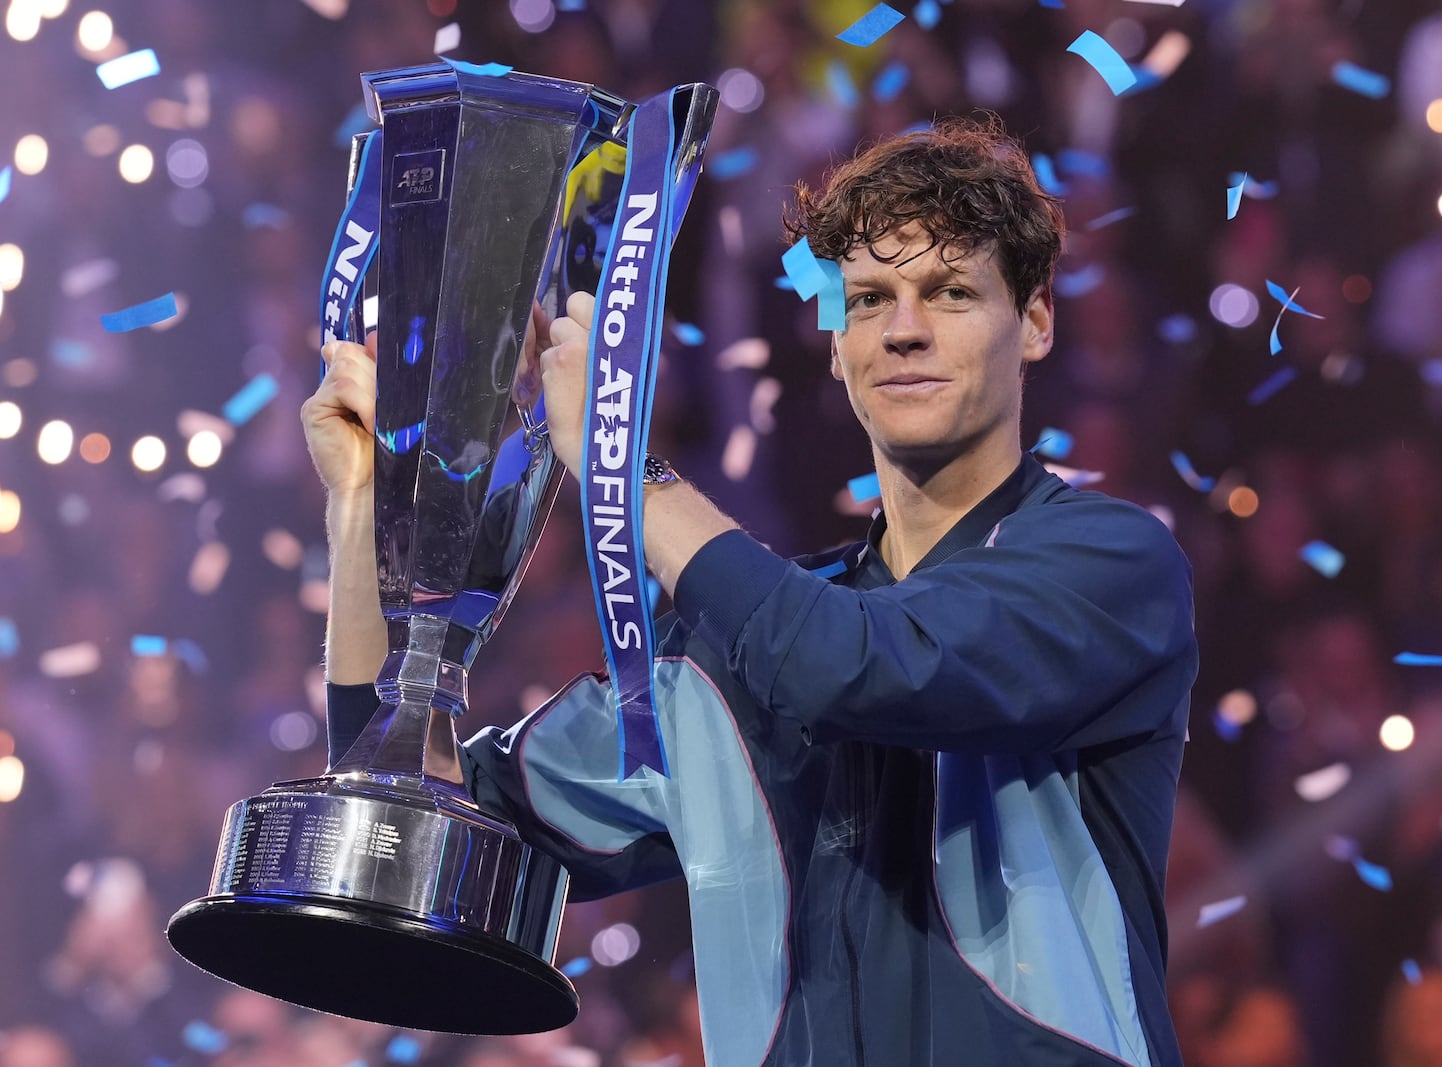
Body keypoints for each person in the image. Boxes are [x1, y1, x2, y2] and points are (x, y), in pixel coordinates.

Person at [305, 117, 1197, 1066]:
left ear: (1037, 321)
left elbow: (862, 667)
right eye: (867, 299)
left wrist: (621, 461)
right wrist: (362, 511)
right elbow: (411, 808)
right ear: (835, 343)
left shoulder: (1111, 566)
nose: (902, 329)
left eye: (950, 291)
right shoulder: (722, 651)